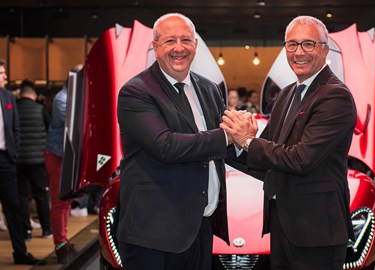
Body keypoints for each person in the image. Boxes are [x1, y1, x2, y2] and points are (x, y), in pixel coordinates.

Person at [221, 16, 356, 269]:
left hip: (317, 232)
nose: (299, 52)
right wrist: (229, 143)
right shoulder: (286, 94)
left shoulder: (335, 95)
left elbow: (300, 159)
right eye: (292, 45)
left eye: (308, 44)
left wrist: (248, 141)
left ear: (324, 49)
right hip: (284, 225)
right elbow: (265, 157)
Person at [115, 13, 230, 270]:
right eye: (169, 41)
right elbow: (166, 146)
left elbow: (226, 149)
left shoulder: (209, 89)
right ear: (155, 48)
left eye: (186, 40)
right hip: (153, 234)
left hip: (200, 225)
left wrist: (271, 157)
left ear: (195, 46)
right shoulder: (136, 91)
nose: (179, 48)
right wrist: (228, 135)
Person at [0, 59, 46, 265]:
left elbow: (16, 127)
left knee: (14, 207)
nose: (5, 77)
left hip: (6, 159)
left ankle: (20, 252)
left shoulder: (8, 96)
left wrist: (14, 153)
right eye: (1, 73)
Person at [44, 64, 83, 264]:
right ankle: (60, 245)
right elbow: (76, 125)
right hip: (57, 156)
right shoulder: (62, 99)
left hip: (66, 156)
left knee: (66, 200)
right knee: (60, 202)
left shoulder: (74, 96)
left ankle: (64, 240)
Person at [16, 80, 52, 241]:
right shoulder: (40, 109)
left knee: (22, 196)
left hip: (18, 160)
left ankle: (26, 231)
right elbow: (49, 130)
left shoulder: (13, 109)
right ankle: (46, 230)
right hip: (38, 160)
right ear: (34, 95)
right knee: (41, 195)